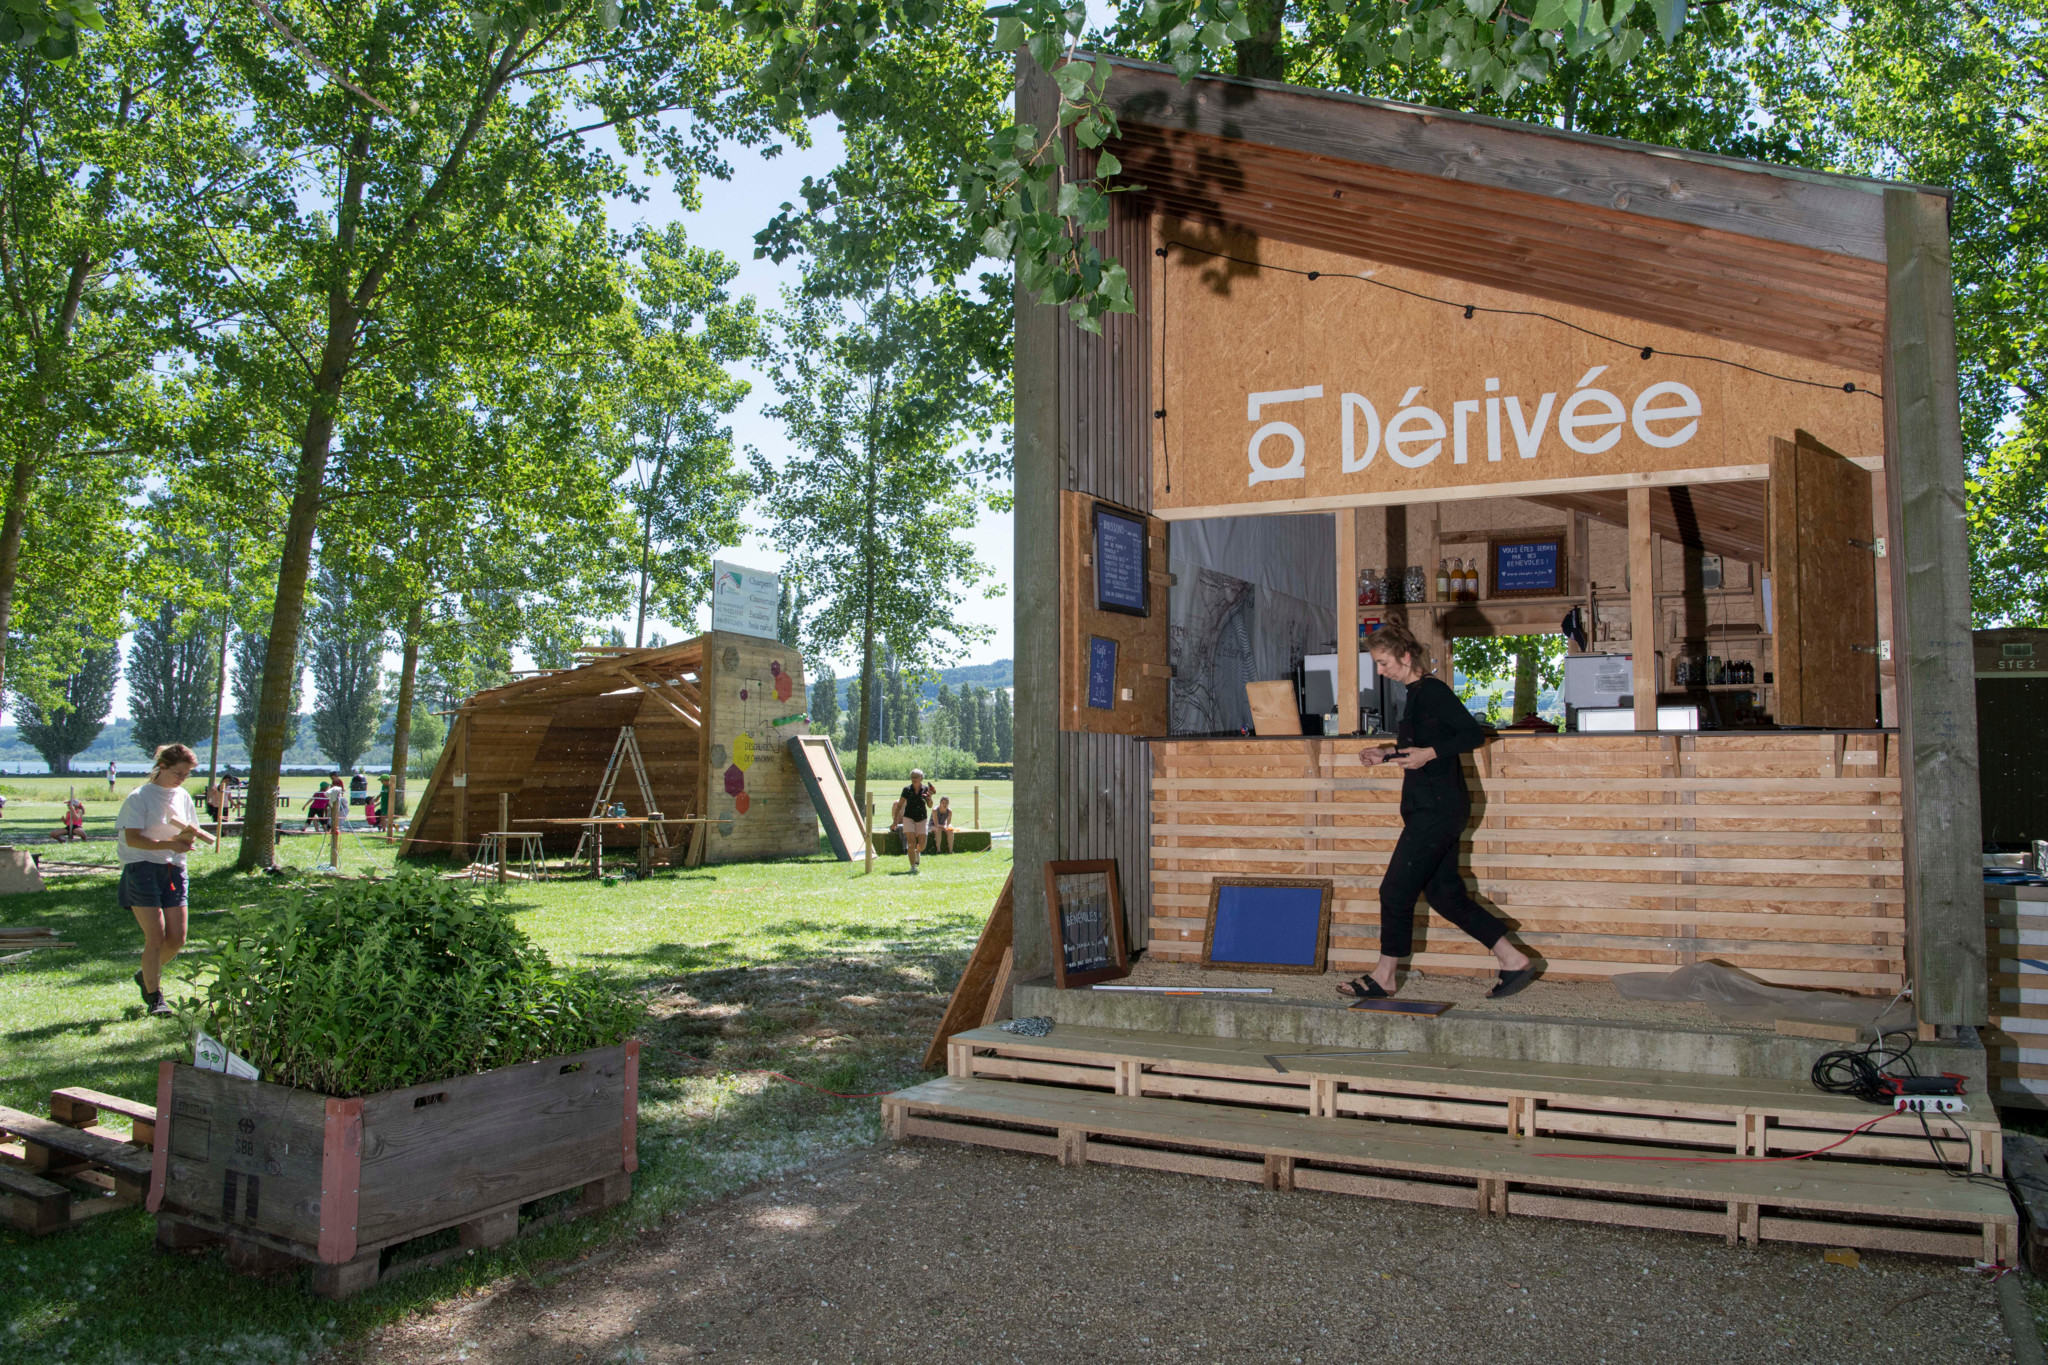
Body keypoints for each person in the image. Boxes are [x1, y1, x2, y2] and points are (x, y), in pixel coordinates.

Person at [1338, 621, 1539, 1002]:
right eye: (1377, 665)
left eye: (1384, 663)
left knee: (1395, 891)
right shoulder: (1415, 694)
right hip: (1429, 806)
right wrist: (1387, 753)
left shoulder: (1431, 690)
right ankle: (1513, 959)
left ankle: (1385, 977)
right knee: (1445, 895)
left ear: (1405, 655)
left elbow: (1472, 733)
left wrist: (1428, 753)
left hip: (1438, 807)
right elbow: (1426, 744)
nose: (1381, 672)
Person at [116, 744, 199, 1017]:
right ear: (161, 767)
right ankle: (155, 998)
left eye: (186, 774)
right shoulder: (139, 797)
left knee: (177, 939)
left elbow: (189, 830)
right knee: (156, 936)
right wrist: (170, 843)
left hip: (174, 868)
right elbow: (133, 838)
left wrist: (186, 841)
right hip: (141, 868)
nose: (181, 778)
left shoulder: (183, 795)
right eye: (178, 772)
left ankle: (146, 973)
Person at [898, 769, 935, 873]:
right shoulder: (906, 789)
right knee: (911, 843)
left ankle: (917, 852)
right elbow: (900, 805)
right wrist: (895, 821)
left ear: (921, 779)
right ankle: (912, 866)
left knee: (922, 845)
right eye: (912, 776)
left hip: (922, 818)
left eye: (916, 777)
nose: (914, 779)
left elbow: (930, 805)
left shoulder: (926, 789)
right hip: (908, 817)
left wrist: (930, 798)